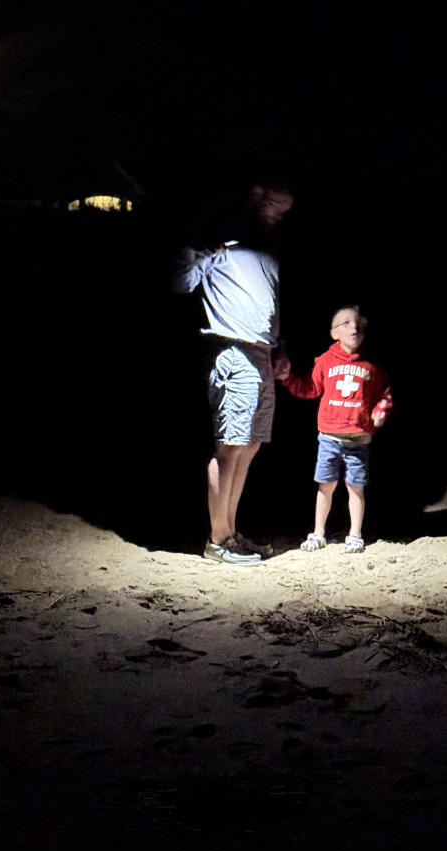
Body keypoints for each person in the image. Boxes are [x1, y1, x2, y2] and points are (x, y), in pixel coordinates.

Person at [173, 181, 294, 565]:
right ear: (255, 199)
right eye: (275, 205)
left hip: (261, 352)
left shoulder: (267, 249)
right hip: (232, 350)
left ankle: (230, 531)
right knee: (230, 445)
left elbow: (269, 302)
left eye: (284, 210)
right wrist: (195, 251)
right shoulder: (219, 240)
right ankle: (218, 540)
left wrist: (280, 347)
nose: (278, 215)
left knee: (250, 444)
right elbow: (181, 283)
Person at [275, 305, 392, 553]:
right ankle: (318, 533)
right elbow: (310, 389)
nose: (354, 327)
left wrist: (381, 410)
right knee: (325, 486)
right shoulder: (325, 361)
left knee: (355, 487)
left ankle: (355, 534)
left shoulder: (372, 367)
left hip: (358, 439)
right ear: (334, 333)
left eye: (358, 324)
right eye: (346, 323)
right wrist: (287, 379)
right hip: (329, 437)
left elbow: (385, 394)